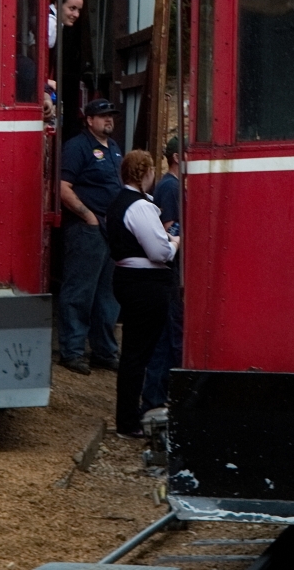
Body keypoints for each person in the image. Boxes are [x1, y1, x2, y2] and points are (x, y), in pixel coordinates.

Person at [105, 149, 178, 437]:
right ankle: (129, 421)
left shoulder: (117, 203)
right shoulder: (140, 206)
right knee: (139, 354)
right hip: (145, 283)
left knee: (134, 353)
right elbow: (159, 251)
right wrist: (176, 242)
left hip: (127, 277)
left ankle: (128, 418)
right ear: (145, 174)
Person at [57, 99, 124, 375]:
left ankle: (104, 351)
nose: (109, 120)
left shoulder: (115, 149)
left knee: (108, 295)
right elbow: (62, 187)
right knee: (80, 291)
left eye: (111, 116)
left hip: (112, 230)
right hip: (87, 229)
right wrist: (88, 216)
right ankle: (72, 351)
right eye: (103, 116)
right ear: (89, 120)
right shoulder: (77, 147)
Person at [140, 138, 185, 423]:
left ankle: (160, 396)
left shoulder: (174, 186)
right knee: (168, 337)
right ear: (178, 157)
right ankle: (154, 399)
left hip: (173, 275)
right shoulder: (169, 187)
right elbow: (168, 230)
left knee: (170, 337)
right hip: (170, 274)